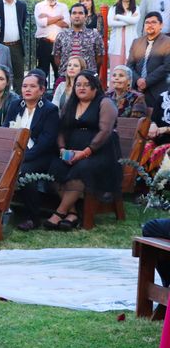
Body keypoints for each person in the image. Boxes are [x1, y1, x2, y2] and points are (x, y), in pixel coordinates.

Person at [45, 70, 122, 231]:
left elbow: (105, 132)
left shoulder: (105, 103)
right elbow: (61, 129)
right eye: (78, 84)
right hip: (71, 151)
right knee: (54, 167)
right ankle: (72, 213)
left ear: (95, 87)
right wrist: (62, 150)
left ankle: (60, 212)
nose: (82, 88)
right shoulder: (70, 103)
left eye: (87, 85)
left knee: (82, 169)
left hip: (99, 153)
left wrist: (85, 152)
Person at [4, 69, 59, 231]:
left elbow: (46, 142)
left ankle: (33, 217)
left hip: (41, 156)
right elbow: (6, 129)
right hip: (16, 153)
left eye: (32, 86)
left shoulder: (49, 110)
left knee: (25, 172)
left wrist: (23, 157)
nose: (27, 89)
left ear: (42, 90)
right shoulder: (15, 105)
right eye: (24, 86)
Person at [0, 0, 28, 93]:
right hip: (1, 45)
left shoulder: (21, 5)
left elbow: (22, 23)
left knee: (18, 76)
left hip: (16, 45)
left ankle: (19, 101)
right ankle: (0, 100)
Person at [52, 3, 104, 83]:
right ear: (70, 16)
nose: (77, 16)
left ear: (86, 16)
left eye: (80, 13)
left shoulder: (95, 35)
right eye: (74, 13)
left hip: (88, 78)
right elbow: (57, 56)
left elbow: (99, 58)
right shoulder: (61, 35)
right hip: (66, 78)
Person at [127, 12, 170, 106]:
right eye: (147, 22)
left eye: (153, 22)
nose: (150, 25)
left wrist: (146, 81)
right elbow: (129, 66)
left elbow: (167, 66)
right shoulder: (136, 42)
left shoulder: (168, 42)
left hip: (158, 91)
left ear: (161, 25)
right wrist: (138, 80)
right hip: (137, 92)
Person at [34, 0, 70, 85]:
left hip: (60, 44)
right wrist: (59, 17)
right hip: (44, 43)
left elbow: (66, 24)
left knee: (60, 72)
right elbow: (42, 23)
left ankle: (58, 96)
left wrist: (48, 17)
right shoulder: (39, 6)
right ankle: (41, 95)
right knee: (42, 73)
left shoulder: (63, 6)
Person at [107, 0, 140, 71]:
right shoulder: (113, 8)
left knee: (130, 71)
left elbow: (134, 21)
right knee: (116, 70)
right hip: (116, 45)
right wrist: (128, 21)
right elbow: (110, 23)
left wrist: (118, 16)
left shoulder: (136, 8)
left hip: (131, 43)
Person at [140, 89, 170, 175]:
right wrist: (153, 125)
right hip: (159, 138)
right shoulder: (162, 96)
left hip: (166, 140)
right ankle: (141, 182)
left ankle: (157, 184)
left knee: (157, 152)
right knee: (144, 148)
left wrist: (166, 129)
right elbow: (153, 119)